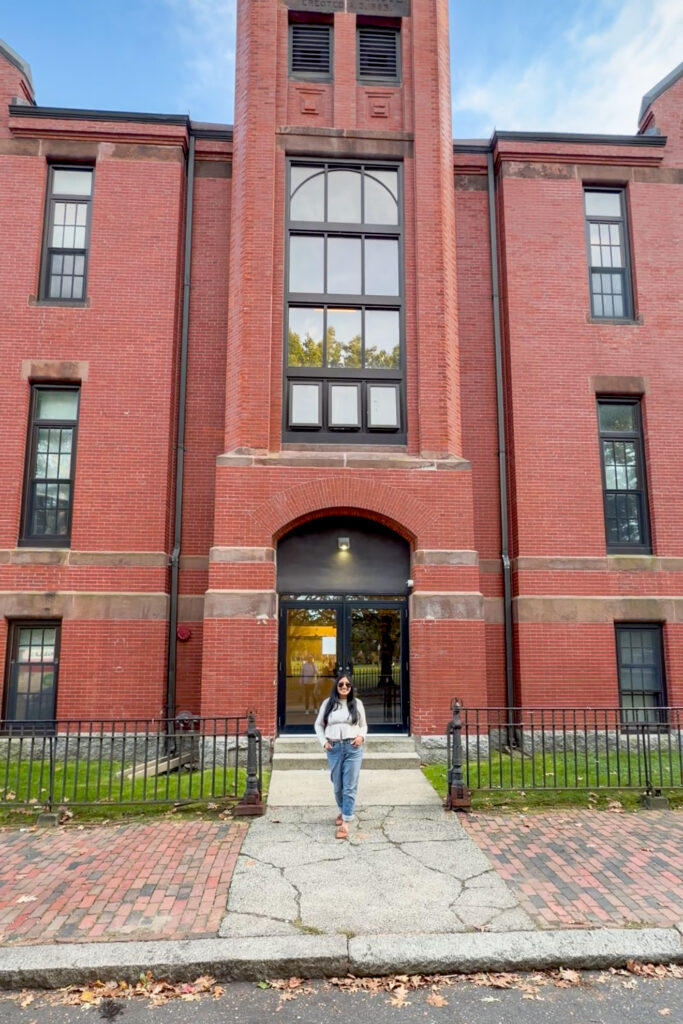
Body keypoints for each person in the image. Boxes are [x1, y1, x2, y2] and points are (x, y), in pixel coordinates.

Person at [314, 671, 367, 839]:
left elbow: (364, 726)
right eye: (341, 684)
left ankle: (346, 820)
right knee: (337, 785)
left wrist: (361, 737)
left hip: (353, 748)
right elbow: (318, 725)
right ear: (336, 686)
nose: (344, 687)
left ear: (351, 688)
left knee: (349, 785)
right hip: (334, 748)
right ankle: (342, 810)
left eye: (348, 685)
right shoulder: (328, 704)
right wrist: (324, 742)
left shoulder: (357, 704)